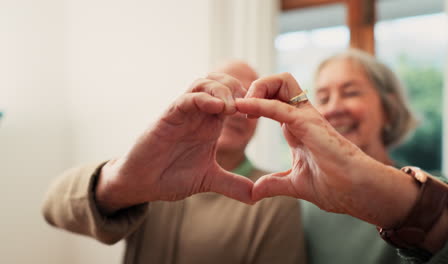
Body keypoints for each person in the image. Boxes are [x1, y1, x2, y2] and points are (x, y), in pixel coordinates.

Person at [42, 61, 306, 264]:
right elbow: (52, 207)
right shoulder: (155, 173)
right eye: (229, 95)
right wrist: (120, 183)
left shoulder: (273, 196)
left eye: (253, 100)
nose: (238, 110)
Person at [235, 49, 448, 264]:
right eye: (323, 98)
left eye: (351, 93)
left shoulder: (434, 194)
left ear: (388, 109)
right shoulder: (298, 206)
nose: (334, 108)